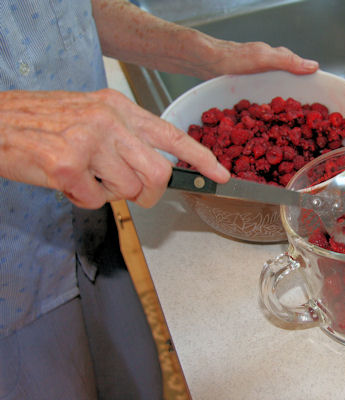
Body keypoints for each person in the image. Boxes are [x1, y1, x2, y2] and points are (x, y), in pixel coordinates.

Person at [0, 0, 319, 399]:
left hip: (90, 230)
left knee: (136, 383)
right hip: (10, 287)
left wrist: (206, 55)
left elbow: (70, 11)